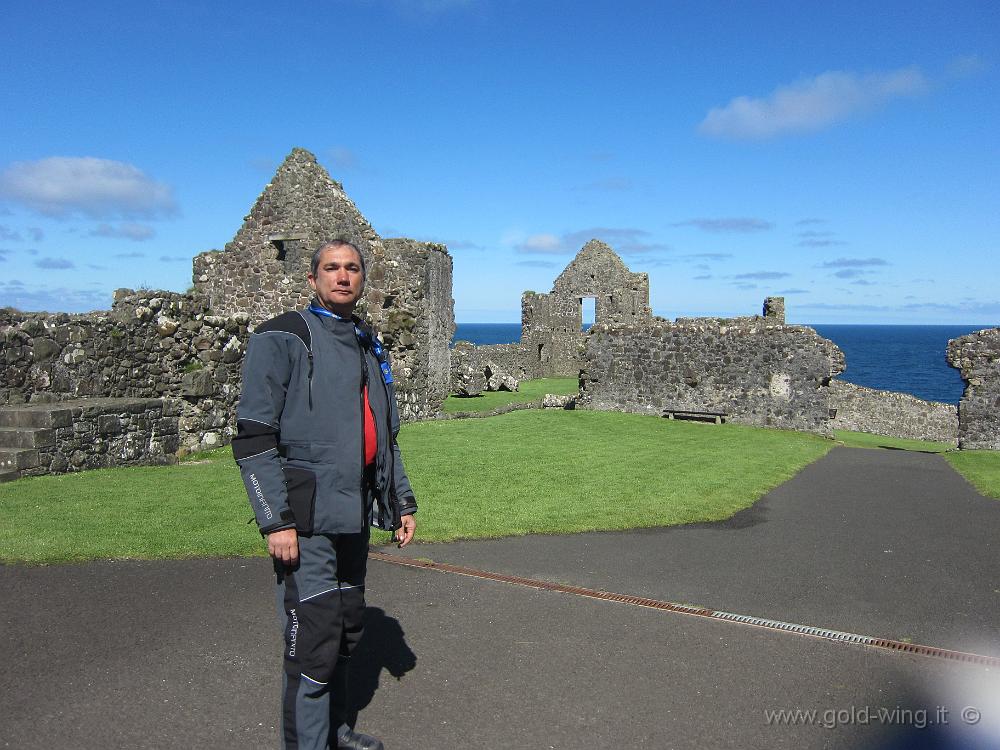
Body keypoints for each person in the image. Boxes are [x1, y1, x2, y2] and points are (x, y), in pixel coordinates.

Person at [233, 239, 417, 750]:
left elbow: (384, 433)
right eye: (331, 268)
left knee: (347, 632)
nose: (343, 276)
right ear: (312, 279)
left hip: (354, 514)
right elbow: (253, 436)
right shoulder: (283, 336)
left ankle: (336, 733)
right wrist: (275, 520)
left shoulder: (366, 341)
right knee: (313, 645)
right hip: (306, 519)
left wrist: (401, 501)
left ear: (363, 279)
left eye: (352, 268)